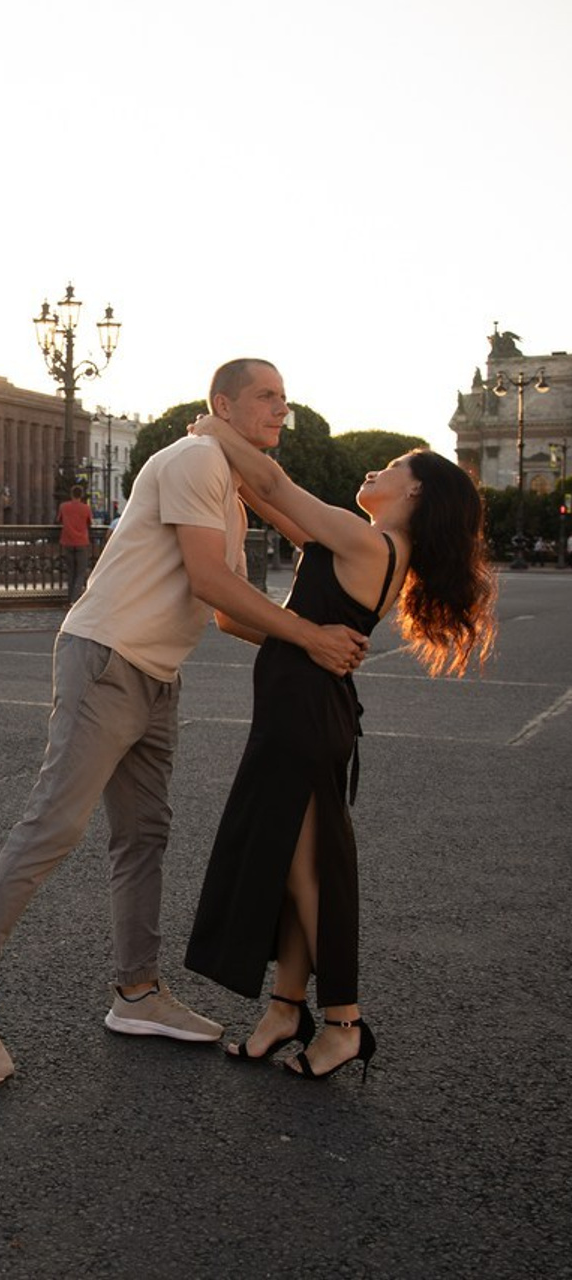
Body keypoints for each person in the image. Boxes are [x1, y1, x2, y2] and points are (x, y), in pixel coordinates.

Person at [0, 359, 369, 1082]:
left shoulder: (230, 492)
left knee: (144, 834)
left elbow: (228, 614)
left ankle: (137, 993)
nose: (281, 409)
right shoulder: (195, 459)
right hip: (107, 657)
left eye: (285, 398)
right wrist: (310, 637)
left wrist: (317, 648)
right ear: (223, 405)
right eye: (266, 396)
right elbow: (210, 580)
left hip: (157, 673)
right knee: (54, 824)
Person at [184, 421, 497, 1081]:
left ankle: (344, 1025)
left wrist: (214, 427)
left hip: (302, 717)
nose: (376, 471)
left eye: (393, 467)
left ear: (415, 492)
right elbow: (266, 499)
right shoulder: (363, 543)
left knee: (307, 875)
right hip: (303, 712)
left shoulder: (368, 541)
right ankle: (285, 1009)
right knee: (293, 870)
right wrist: (222, 462)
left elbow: (275, 485)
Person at [57, 484, 94, 604]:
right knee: (80, 572)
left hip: (67, 541)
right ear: (81, 495)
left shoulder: (63, 506)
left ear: (71, 494)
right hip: (82, 542)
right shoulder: (86, 508)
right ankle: (74, 600)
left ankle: (70, 598)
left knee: (71, 572)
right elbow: (90, 522)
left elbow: (58, 520)